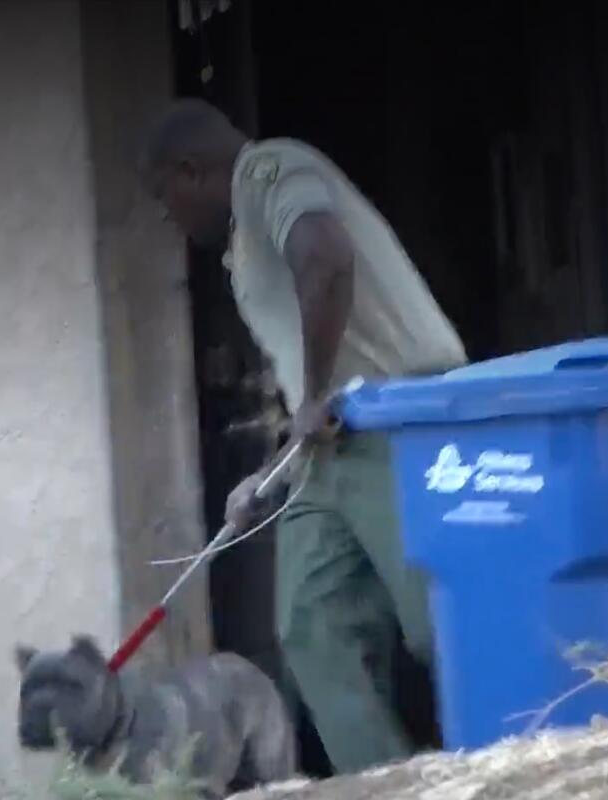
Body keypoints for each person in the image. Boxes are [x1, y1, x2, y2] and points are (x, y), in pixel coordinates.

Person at [136, 97, 467, 774]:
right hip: (331, 447)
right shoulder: (242, 239)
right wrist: (268, 478)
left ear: (191, 169)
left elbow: (326, 254)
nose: (168, 217)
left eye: (165, 198)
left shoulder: (269, 169)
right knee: (314, 631)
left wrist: (315, 393)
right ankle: (390, 786)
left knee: (443, 624)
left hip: (394, 423)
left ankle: (531, 754)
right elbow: (310, 381)